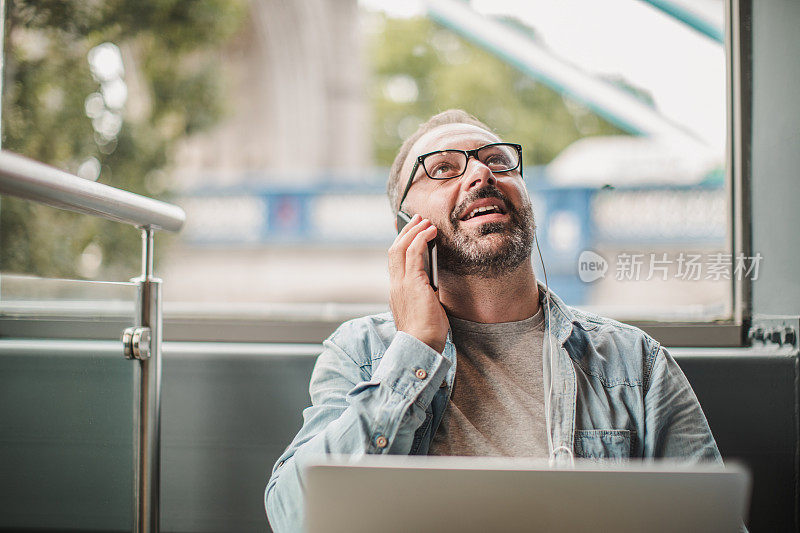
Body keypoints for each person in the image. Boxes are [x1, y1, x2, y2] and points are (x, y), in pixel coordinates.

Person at [264, 109, 722, 532]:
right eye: (443, 168)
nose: (481, 173)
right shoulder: (361, 352)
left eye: (499, 161)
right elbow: (296, 516)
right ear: (406, 226)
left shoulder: (634, 362)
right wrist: (414, 350)